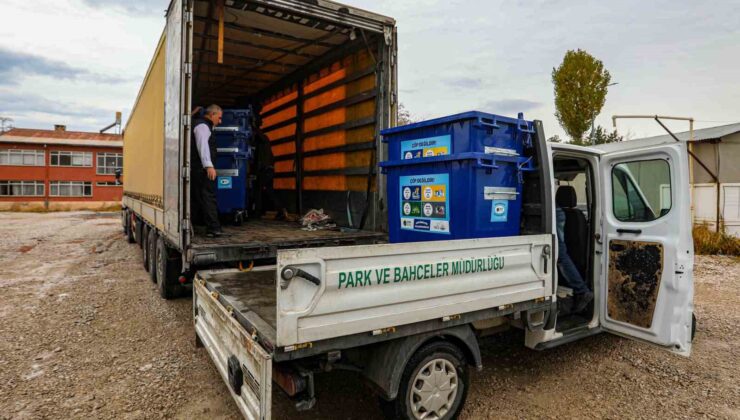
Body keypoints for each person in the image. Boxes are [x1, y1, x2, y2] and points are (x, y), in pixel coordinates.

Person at [191, 104, 224, 237]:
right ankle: (213, 228)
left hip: (198, 169)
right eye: (219, 118)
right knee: (208, 197)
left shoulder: (202, 124)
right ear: (212, 115)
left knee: (200, 197)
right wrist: (208, 165)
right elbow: (202, 145)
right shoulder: (203, 126)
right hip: (202, 169)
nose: (220, 121)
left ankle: (204, 225)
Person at [556, 205, 594, 313]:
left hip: (552, 212)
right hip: (553, 211)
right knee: (559, 254)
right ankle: (581, 291)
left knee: (559, 254)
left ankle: (582, 291)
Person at [252, 114, 288, 220]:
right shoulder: (264, 139)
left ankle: (258, 212)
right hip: (269, 168)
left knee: (258, 190)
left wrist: (253, 127)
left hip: (265, 169)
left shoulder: (261, 138)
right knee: (269, 191)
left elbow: (260, 156)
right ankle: (280, 210)